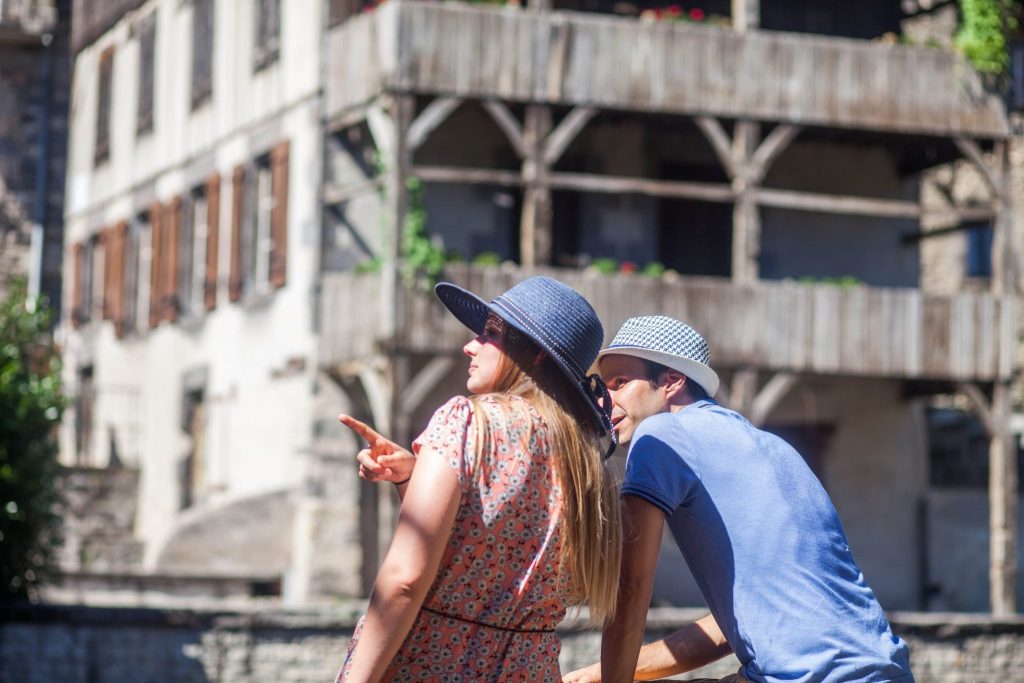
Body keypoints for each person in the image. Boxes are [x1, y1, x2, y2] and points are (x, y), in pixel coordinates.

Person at [564, 315, 914, 683]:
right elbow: (733, 626)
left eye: (619, 383)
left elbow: (632, 587)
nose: (607, 400)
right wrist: (594, 676)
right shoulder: (779, 450)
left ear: (671, 381)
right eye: (603, 387)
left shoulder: (661, 433)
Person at [335, 276, 622, 683]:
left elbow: (405, 579)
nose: (470, 345)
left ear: (536, 355)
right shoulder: (586, 462)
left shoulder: (467, 421)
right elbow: (490, 550)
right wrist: (414, 482)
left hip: (432, 664)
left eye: (490, 334)